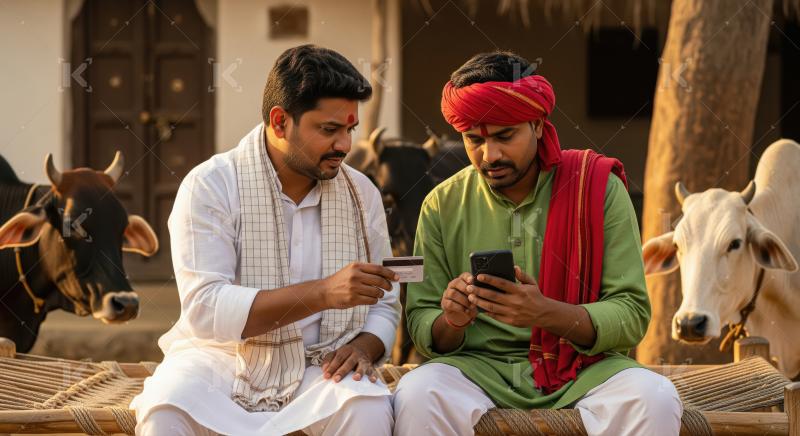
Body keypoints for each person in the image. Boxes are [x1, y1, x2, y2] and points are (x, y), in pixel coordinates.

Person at [393, 51, 682, 436]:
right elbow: (422, 320)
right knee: (417, 393)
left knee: (655, 398)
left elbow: (631, 315)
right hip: (479, 369)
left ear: (538, 124)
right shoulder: (442, 204)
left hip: (586, 370)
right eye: (473, 140)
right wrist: (453, 320)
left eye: (504, 136)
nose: (489, 155)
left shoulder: (598, 189)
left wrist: (545, 312)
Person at [131, 44, 400, 436]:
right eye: (329, 130)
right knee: (165, 412)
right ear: (279, 122)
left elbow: (386, 302)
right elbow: (206, 309)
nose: (344, 145)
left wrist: (364, 347)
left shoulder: (362, 195)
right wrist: (323, 292)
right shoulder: (211, 185)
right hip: (219, 361)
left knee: (368, 409)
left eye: (349, 129)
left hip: (320, 367)